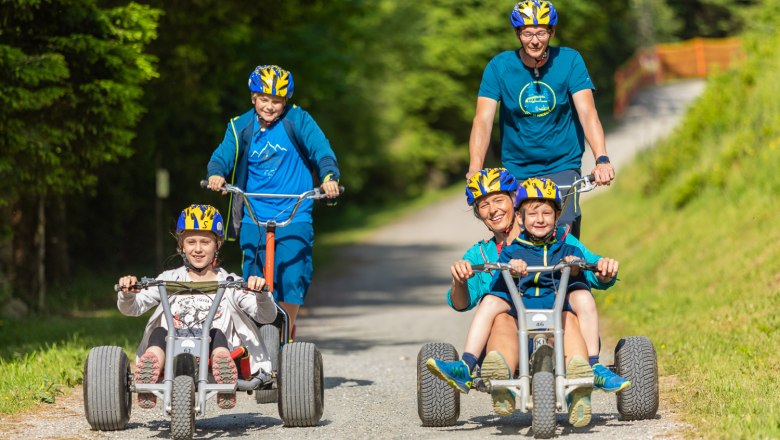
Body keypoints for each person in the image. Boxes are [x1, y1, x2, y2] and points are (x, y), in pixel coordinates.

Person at [426, 170, 625, 427]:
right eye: (484, 205)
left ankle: (585, 374)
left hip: (559, 329)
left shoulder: (560, 239)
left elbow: (594, 274)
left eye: (498, 200)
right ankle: (497, 380)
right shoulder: (482, 254)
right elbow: (461, 303)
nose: (493, 210)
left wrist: (601, 270)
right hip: (509, 336)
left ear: (514, 201)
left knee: (573, 310)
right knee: (498, 314)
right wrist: (460, 279)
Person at [206, 64, 341, 333]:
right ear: (253, 98)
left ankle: (286, 329)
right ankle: (257, 333)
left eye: (276, 101)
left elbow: (321, 150)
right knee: (252, 282)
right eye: (264, 99)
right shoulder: (239, 126)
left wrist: (329, 177)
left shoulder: (299, 120)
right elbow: (222, 155)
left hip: (295, 212)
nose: (269, 106)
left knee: (293, 277)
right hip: (254, 215)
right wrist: (216, 174)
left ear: (285, 101)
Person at [466, 0, 615, 238]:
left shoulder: (569, 61)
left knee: (562, 231)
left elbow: (587, 112)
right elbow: (483, 120)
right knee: (517, 239)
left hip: (563, 165)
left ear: (551, 32)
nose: (534, 40)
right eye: (527, 33)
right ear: (518, 34)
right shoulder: (499, 67)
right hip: (518, 170)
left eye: (541, 32)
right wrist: (475, 167)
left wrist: (602, 158)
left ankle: (572, 274)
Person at [117, 204, 277, 410]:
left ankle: (224, 376)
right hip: (172, 352)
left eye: (205, 242)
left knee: (216, 333)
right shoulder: (168, 279)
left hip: (215, 351)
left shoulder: (231, 282)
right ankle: (150, 370)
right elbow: (133, 308)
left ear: (217, 244)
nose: (198, 249)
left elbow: (266, 317)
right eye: (191, 242)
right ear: (182, 245)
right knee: (159, 333)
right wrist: (128, 294)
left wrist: (262, 294)